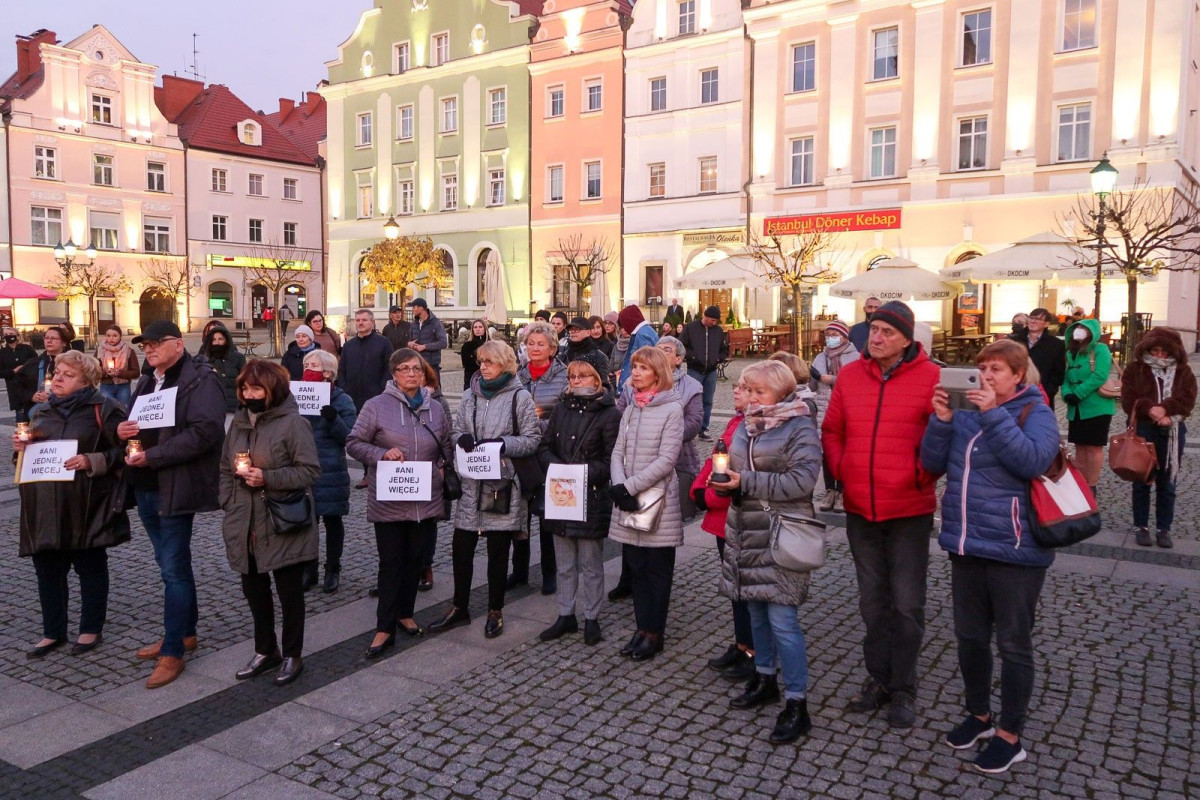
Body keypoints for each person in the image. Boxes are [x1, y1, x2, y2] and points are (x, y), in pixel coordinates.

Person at [921, 340, 1061, 774]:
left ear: (1018, 375)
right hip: (967, 544)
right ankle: (979, 715)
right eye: (981, 368)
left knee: (1013, 644)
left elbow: (1032, 461)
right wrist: (942, 421)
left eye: (996, 369)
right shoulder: (965, 413)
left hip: (1016, 549)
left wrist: (992, 413)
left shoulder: (1035, 410)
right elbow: (930, 463)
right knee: (970, 638)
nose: (986, 376)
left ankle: (1010, 734)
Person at [821, 300, 940, 728]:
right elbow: (832, 430)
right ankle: (879, 678)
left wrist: (922, 473)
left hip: (909, 508)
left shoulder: (932, 378)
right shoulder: (851, 376)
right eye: (873, 329)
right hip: (860, 507)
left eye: (887, 332)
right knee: (873, 603)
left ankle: (904, 687)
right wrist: (842, 469)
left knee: (906, 604)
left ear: (908, 340)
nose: (876, 337)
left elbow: (945, 437)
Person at [715, 360, 822, 744]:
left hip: (782, 532)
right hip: (746, 528)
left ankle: (798, 702)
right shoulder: (747, 425)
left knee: (783, 622)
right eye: (748, 390)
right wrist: (727, 483)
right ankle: (765, 678)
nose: (752, 398)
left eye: (760, 392)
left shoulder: (800, 426)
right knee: (756, 610)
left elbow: (803, 480)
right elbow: (737, 469)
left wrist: (747, 481)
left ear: (781, 391)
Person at [117, 320, 225, 689]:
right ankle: (185, 632)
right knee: (169, 563)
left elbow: (206, 432)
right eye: (144, 343)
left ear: (179, 344)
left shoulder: (199, 379)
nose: (149, 348)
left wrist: (156, 455)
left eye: (156, 342)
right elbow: (133, 420)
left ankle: (174, 650)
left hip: (175, 484)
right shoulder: (148, 379)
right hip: (145, 483)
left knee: (173, 568)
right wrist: (123, 431)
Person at [16, 350, 130, 658]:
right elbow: (28, 457)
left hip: (86, 503)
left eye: (68, 374)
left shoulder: (106, 410)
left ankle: (90, 628)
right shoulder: (41, 411)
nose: (59, 379)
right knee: (47, 569)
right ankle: (53, 632)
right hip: (45, 505)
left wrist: (91, 460)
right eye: (58, 373)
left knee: (89, 566)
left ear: (87, 381)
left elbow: (126, 453)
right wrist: (22, 449)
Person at [219, 360, 320, 686]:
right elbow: (224, 466)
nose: (249, 394)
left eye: (256, 388)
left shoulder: (293, 424)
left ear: (273, 389)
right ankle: (266, 649)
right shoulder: (238, 423)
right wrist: (228, 500)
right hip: (244, 520)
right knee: (255, 592)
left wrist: (268, 477)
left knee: (289, 593)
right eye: (245, 388)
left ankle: (293, 653)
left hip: (281, 521)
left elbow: (309, 471)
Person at [431, 341, 540, 638]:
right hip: (471, 483)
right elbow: (456, 431)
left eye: (489, 362)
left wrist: (504, 444)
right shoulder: (470, 395)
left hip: (501, 485)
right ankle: (459, 607)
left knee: (497, 552)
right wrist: (461, 439)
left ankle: (495, 609)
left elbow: (532, 439)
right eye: (481, 362)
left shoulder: (520, 397)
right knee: (461, 548)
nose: (483, 367)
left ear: (505, 363)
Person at [348, 349, 453, 657]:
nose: (411, 374)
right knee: (391, 563)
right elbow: (354, 442)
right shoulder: (376, 406)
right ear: (393, 373)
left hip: (425, 497)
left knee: (416, 560)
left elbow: (445, 444)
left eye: (416, 369)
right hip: (391, 499)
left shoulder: (435, 408)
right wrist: (382, 454)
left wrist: (444, 464)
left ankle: (405, 613)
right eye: (404, 369)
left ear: (424, 374)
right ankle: (384, 627)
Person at [535, 359, 621, 645]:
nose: (576, 380)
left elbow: (611, 460)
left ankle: (592, 616)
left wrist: (581, 472)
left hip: (591, 496)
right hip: (561, 495)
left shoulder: (609, 414)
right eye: (572, 376)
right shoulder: (561, 408)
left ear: (597, 380)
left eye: (583, 376)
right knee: (564, 563)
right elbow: (545, 446)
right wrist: (556, 467)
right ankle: (565, 613)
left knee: (590, 563)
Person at [608, 346, 684, 661]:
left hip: (657, 500)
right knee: (636, 567)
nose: (635, 373)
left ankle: (655, 632)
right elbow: (617, 451)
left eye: (642, 368)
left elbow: (667, 459)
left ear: (658, 373)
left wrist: (630, 486)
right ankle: (641, 628)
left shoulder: (672, 409)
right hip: (628, 497)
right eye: (634, 367)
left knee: (657, 570)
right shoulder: (631, 408)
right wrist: (619, 483)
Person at [692, 378, 755, 681]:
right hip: (723, 518)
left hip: (740, 516)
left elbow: (739, 473)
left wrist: (712, 496)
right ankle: (742, 643)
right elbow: (715, 460)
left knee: (747, 589)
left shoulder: (757, 427)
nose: (736, 391)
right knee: (734, 587)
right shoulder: (735, 421)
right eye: (737, 386)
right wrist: (698, 490)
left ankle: (754, 652)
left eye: (744, 387)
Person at [1120, 327, 1197, 549]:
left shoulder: (1184, 372)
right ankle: (1141, 526)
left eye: (1165, 352)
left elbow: (1188, 398)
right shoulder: (1136, 369)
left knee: (1167, 482)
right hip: (1144, 429)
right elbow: (1129, 399)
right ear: (1148, 349)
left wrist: (1165, 410)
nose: (1160, 356)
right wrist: (1151, 410)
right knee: (1142, 479)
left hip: (1172, 430)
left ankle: (1164, 528)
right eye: (1156, 350)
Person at [510, 321, 566, 592]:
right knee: (519, 512)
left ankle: (549, 572)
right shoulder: (517, 375)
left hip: (548, 452)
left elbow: (564, 416)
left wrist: (537, 424)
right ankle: (519, 570)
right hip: (521, 453)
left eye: (540, 344)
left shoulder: (563, 376)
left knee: (547, 514)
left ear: (552, 348)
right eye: (530, 343)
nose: (534, 348)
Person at [301, 349, 357, 591]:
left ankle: (332, 568)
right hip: (303, 470)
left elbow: (351, 438)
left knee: (333, 522)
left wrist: (334, 419)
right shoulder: (296, 396)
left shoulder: (342, 400)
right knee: (306, 523)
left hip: (330, 470)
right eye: (306, 365)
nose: (307, 370)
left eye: (312, 365)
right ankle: (308, 568)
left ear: (328, 373)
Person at [338, 309, 393, 488]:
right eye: (358, 320)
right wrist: (344, 389)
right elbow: (342, 370)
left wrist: (382, 388)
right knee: (360, 438)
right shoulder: (349, 345)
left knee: (377, 437)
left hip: (375, 396)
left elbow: (389, 368)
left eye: (364, 320)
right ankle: (366, 473)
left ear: (372, 322)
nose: (360, 323)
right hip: (353, 397)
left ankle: (378, 472)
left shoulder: (383, 343)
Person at [809, 320, 858, 512]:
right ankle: (830, 490)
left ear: (844, 336)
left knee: (845, 451)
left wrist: (830, 379)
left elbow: (857, 383)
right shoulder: (820, 357)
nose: (830, 338)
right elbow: (813, 386)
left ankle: (843, 491)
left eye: (833, 334)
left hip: (847, 409)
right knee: (827, 452)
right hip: (824, 409)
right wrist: (811, 379)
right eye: (827, 334)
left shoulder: (855, 357)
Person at [1062, 317, 1114, 493]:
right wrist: (1067, 393)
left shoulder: (1100, 349)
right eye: (1078, 327)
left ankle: (1091, 485)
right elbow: (1066, 376)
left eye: (1084, 328)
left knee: (1093, 447)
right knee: (1080, 446)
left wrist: (1079, 393)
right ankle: (1081, 483)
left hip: (1096, 407)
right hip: (1076, 409)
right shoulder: (1070, 352)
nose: (1080, 331)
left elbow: (1100, 375)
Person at [680, 305, 728, 441]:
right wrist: (693, 357)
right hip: (694, 369)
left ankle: (703, 428)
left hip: (711, 371)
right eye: (712, 320)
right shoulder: (690, 328)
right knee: (691, 399)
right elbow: (682, 345)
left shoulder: (718, 331)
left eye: (716, 321)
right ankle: (689, 427)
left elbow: (724, 349)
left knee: (707, 401)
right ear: (705, 316)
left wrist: (718, 359)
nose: (714, 323)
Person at [1012, 308, 1066, 409]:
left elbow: (1059, 372)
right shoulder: (1015, 340)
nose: (1033, 321)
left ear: (1046, 324)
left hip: (1043, 393)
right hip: (1016, 391)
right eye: (1031, 318)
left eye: (1038, 319)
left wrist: (1049, 390)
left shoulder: (1055, 344)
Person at [198, 324, 246, 430]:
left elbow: (244, 381)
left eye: (220, 339)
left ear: (226, 340)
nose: (217, 342)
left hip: (233, 407)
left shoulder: (237, 358)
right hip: (211, 408)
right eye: (214, 339)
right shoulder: (204, 359)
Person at [615, 304, 659, 389]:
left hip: (638, 385)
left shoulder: (642, 335)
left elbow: (645, 363)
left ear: (628, 322)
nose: (624, 328)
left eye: (624, 325)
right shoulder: (646, 331)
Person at [94, 326, 140, 408]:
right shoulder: (100, 350)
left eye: (115, 336)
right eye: (108, 336)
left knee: (123, 409)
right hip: (106, 385)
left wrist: (119, 373)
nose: (111, 338)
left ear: (120, 336)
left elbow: (136, 372)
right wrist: (105, 373)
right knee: (108, 409)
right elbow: (94, 370)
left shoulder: (128, 350)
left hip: (123, 386)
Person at [0, 327, 38, 423]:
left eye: (11, 333)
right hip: (14, 387)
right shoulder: (2, 353)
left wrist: (26, 367)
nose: (9, 336)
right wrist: (13, 371)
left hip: (30, 384)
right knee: (20, 415)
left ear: (17, 335)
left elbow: (36, 362)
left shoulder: (27, 349)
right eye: (6, 334)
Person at [564, 316, 612, 389]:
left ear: (588, 332)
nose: (573, 332)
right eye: (571, 329)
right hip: (568, 394)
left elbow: (604, 386)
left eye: (577, 329)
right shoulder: (565, 354)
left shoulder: (598, 356)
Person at [408, 297, 448, 379]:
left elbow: (443, 343)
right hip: (417, 365)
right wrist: (409, 344)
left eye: (414, 307)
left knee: (434, 390)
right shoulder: (414, 324)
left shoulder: (436, 323)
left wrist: (424, 346)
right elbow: (409, 339)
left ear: (421, 308)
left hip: (431, 365)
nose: (412, 310)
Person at [30, 326, 69, 407]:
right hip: (38, 410)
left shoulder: (72, 363)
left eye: (54, 338)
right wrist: (31, 396)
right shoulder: (33, 363)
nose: (49, 341)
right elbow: (19, 385)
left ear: (64, 343)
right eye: (47, 338)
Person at [460, 319, 488, 387]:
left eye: (480, 327)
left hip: (487, 377)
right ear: (472, 330)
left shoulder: (490, 344)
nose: (478, 329)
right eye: (475, 327)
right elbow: (466, 364)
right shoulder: (467, 345)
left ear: (484, 329)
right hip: (471, 377)